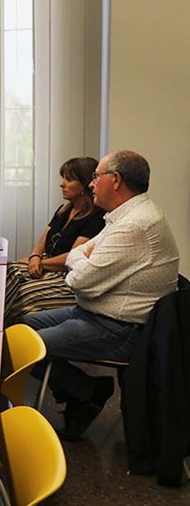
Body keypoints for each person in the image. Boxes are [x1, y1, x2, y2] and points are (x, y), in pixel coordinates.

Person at [22, 151, 179, 441]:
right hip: (92, 312)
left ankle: (86, 392)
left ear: (115, 180)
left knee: (20, 347)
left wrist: (78, 260)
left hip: (119, 328)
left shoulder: (135, 224)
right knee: (21, 325)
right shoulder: (123, 215)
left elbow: (79, 280)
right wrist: (80, 258)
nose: (91, 183)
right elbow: (80, 254)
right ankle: (87, 390)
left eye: (96, 177)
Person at [4, 157, 105, 327]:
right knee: (7, 270)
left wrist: (39, 263)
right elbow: (42, 240)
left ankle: (1, 333)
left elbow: (72, 257)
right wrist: (34, 256)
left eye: (69, 179)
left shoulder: (96, 216)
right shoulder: (64, 210)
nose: (62, 184)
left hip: (66, 275)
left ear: (85, 184)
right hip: (46, 263)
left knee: (23, 296)